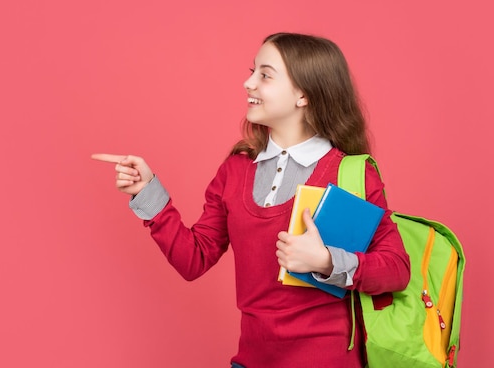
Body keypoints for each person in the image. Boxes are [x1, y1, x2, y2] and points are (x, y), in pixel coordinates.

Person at [92, 32, 410, 368]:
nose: (248, 83)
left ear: (303, 94)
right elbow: (193, 259)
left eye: (264, 75)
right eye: (252, 72)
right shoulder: (235, 169)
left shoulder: (351, 173)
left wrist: (326, 261)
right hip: (251, 360)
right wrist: (147, 192)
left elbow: (396, 270)